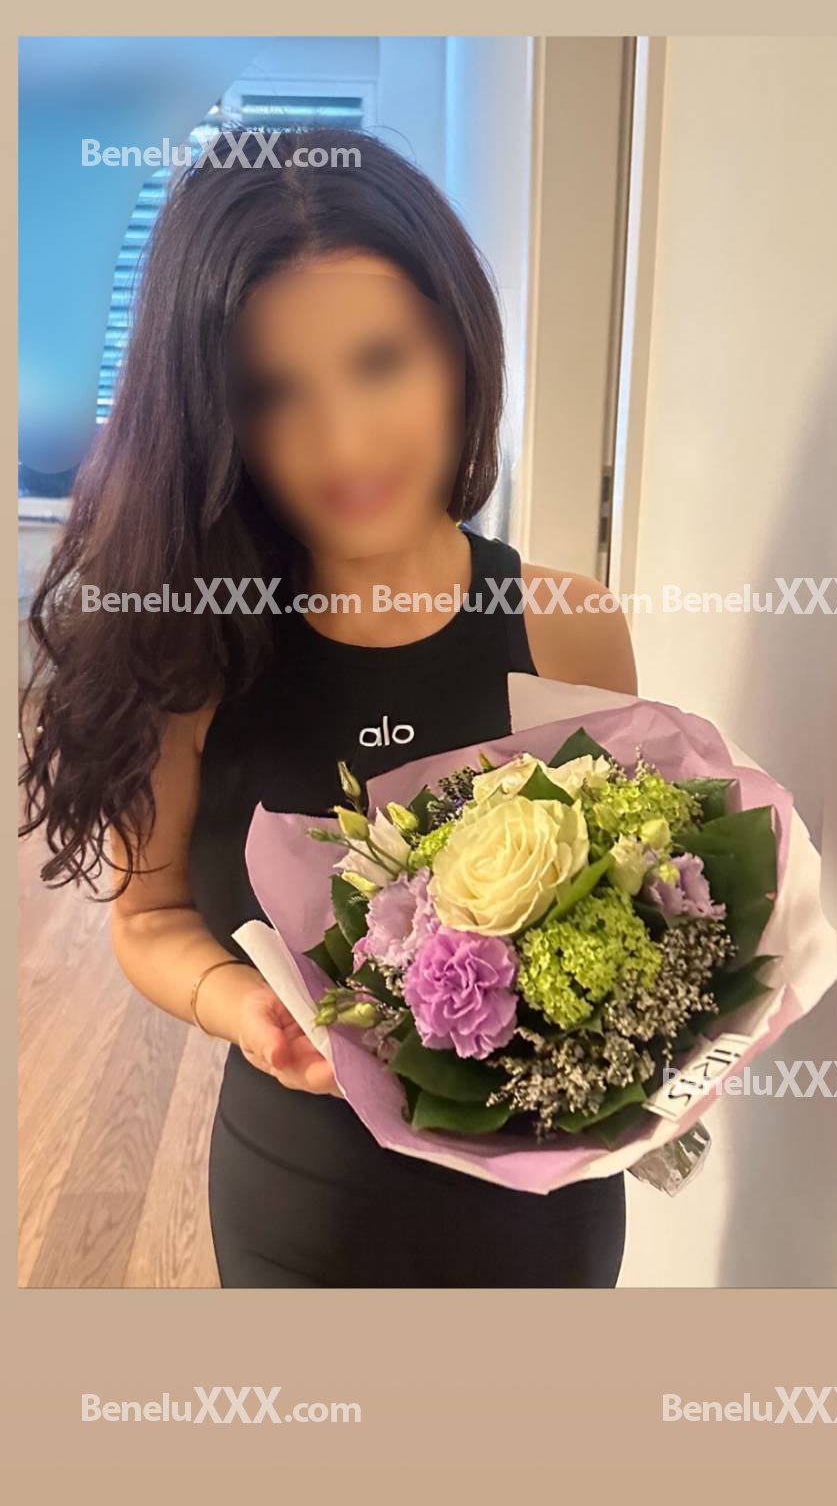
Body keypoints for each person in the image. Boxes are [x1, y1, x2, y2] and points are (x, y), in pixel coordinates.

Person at [21, 127, 638, 1287]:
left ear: (458, 345)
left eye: (380, 360)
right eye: (272, 392)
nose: (343, 438)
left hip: (544, 1216)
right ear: (211, 415)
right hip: (302, 1212)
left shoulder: (567, 623)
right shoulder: (189, 649)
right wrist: (241, 1004)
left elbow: (629, 897)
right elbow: (148, 914)